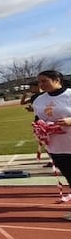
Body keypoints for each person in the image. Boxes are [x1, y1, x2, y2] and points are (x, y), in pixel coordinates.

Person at [31, 70, 71, 212]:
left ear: (57, 80)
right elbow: (38, 119)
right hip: (56, 146)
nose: (41, 85)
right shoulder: (38, 100)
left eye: (44, 81)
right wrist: (39, 127)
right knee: (69, 176)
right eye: (39, 82)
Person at [21, 82, 51, 165]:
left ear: (37, 87)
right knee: (44, 141)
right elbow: (22, 103)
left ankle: (54, 160)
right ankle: (52, 160)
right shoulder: (34, 97)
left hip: (45, 120)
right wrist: (24, 95)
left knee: (48, 141)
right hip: (38, 120)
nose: (30, 89)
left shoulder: (45, 95)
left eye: (31, 87)